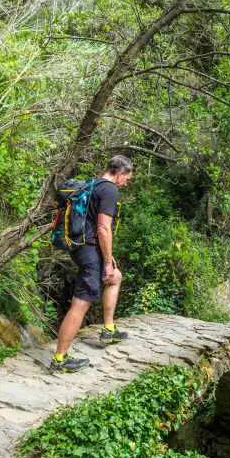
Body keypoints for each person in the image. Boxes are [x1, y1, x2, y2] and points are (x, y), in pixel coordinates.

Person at [50, 155, 133, 373]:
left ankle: (109, 329)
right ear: (119, 173)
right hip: (90, 251)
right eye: (127, 178)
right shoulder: (109, 190)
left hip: (81, 248)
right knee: (81, 303)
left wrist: (109, 259)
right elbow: (103, 228)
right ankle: (59, 359)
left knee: (115, 277)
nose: (126, 183)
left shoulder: (91, 184)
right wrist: (106, 261)